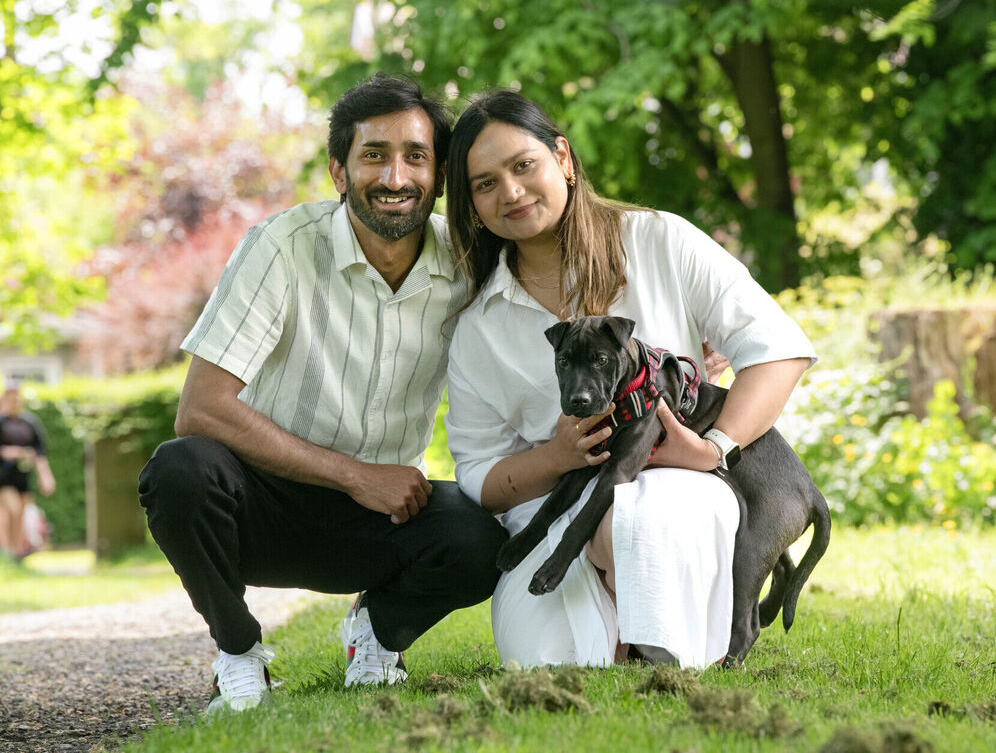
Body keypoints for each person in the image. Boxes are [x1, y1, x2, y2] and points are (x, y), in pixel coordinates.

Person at [137, 73, 508, 714]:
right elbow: (201, 408)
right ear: (339, 171)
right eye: (374, 155)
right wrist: (355, 475)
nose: (395, 177)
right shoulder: (281, 246)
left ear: (441, 174)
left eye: (416, 156)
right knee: (180, 470)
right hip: (262, 508)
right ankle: (239, 654)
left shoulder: (470, 263)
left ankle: (378, 635)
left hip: (383, 522)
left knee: (483, 536)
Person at [442, 90, 816, 668]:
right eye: (485, 184)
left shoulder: (657, 239)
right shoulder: (479, 326)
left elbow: (776, 348)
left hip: (677, 489)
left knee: (635, 526)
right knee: (544, 660)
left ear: (562, 158)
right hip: (556, 513)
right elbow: (478, 475)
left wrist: (714, 447)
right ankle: (631, 619)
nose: (511, 192)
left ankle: (666, 631)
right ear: (470, 202)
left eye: (523, 165)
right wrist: (556, 457)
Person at [0, 379, 56, 560]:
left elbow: (39, 453)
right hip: (4, 478)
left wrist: (46, 477)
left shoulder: (30, 423)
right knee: (13, 510)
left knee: (20, 516)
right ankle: (8, 551)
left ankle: (17, 555)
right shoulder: (1, 422)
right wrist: (6, 452)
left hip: (23, 477)